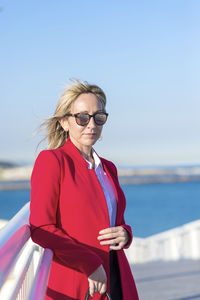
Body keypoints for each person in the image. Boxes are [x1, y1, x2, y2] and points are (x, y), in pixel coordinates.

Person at [29, 80, 139, 300]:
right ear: (64, 122)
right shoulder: (52, 161)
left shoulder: (108, 168)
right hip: (78, 279)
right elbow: (41, 226)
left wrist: (126, 234)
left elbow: (114, 219)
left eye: (98, 117)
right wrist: (89, 263)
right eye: (82, 117)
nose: (91, 125)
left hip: (116, 274)